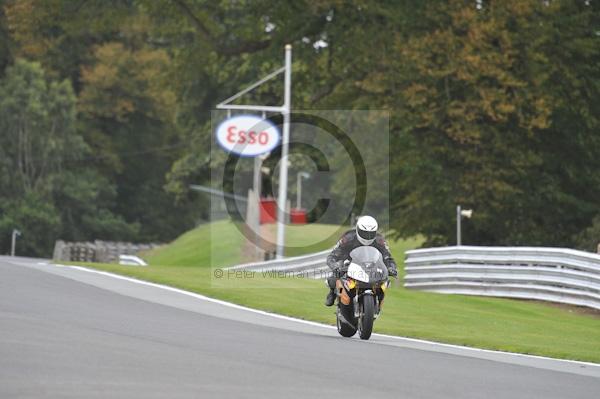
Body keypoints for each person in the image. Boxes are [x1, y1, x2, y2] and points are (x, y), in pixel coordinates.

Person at [324, 215, 398, 306]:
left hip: (371, 265)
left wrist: (392, 268)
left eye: (371, 233)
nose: (368, 236)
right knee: (334, 276)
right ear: (358, 230)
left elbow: (388, 257)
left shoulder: (380, 240)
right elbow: (333, 255)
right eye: (364, 233)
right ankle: (332, 292)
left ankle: (378, 299)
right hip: (349, 262)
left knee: (384, 281)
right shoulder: (348, 238)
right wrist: (335, 265)